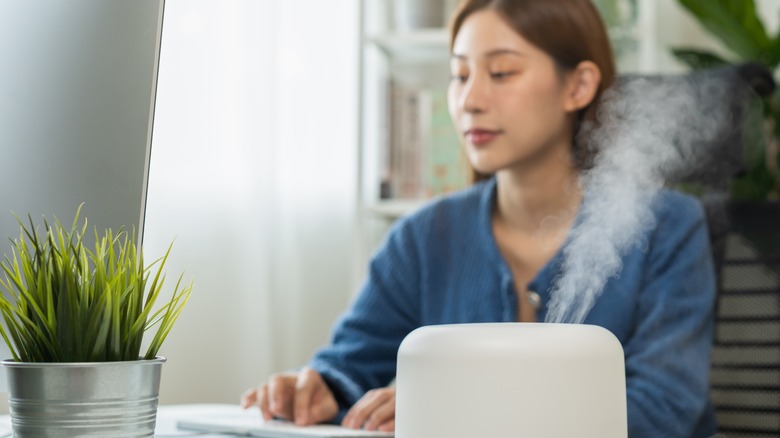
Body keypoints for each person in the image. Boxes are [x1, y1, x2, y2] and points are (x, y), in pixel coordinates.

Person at [241, 0, 717, 436]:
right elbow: (348, 365)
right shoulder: (424, 238)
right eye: (459, 75)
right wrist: (317, 390)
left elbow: (663, 409)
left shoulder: (668, 227)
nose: (469, 100)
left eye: (502, 72)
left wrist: (451, 411)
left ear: (578, 85)